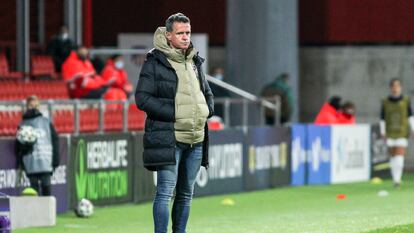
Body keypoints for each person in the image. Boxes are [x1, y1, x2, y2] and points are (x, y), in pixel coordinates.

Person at [135, 13, 214, 233]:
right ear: (168, 35)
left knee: (186, 193)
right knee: (165, 192)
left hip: (196, 138)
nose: (185, 37)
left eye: (188, 32)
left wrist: (208, 109)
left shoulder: (194, 59)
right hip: (170, 137)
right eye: (180, 33)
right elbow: (142, 98)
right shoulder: (155, 61)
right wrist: (175, 113)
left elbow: (206, 91)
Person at [15, 96, 59, 196]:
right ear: (27, 107)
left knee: (46, 186)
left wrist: (56, 160)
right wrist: (22, 157)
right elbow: (18, 145)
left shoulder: (46, 122)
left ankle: (47, 211)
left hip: (45, 162)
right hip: (31, 162)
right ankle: (35, 211)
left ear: (39, 107)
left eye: (36, 106)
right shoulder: (22, 124)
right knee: (33, 190)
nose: (34, 108)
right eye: (31, 106)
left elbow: (55, 140)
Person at [380, 78, 414, 188]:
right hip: (390, 131)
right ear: (391, 88)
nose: (395, 88)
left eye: (397, 86)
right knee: (393, 156)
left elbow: (410, 116)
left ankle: (397, 180)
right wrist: (382, 131)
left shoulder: (406, 100)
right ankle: (395, 178)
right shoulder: (385, 101)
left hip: (402, 131)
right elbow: (382, 118)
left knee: (400, 156)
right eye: (393, 86)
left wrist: (413, 129)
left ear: (400, 87)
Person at [62, 46, 127, 101]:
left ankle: (119, 114)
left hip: (93, 88)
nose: (85, 54)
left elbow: (94, 76)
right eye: (83, 52)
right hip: (81, 92)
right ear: (76, 51)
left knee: (119, 93)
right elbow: (77, 81)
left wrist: (102, 83)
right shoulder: (70, 63)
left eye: (85, 52)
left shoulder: (86, 62)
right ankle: (111, 114)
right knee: (111, 93)